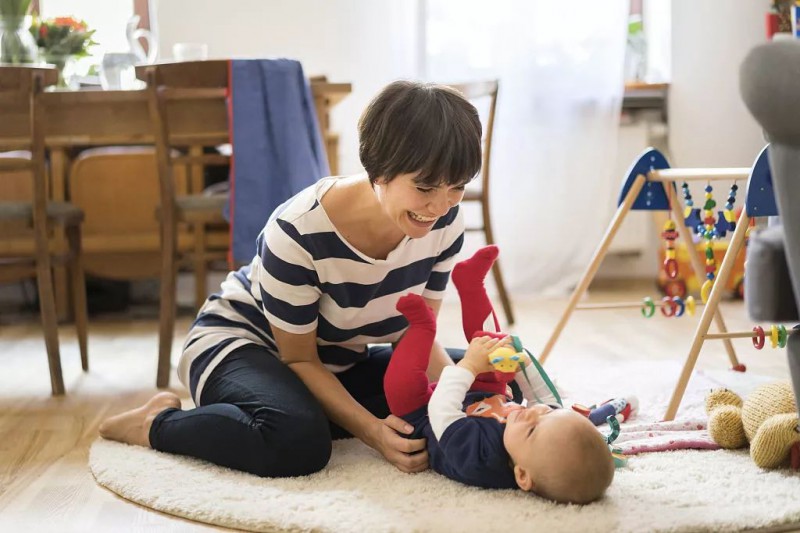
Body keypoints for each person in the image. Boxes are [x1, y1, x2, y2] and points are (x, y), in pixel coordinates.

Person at [99, 80, 483, 477]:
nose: (440, 205)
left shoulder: (446, 221)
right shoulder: (298, 231)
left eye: (457, 187)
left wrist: (478, 397)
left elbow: (414, 335)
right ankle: (155, 424)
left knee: (475, 379)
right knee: (297, 442)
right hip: (244, 344)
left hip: (338, 358)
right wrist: (372, 433)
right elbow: (299, 357)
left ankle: (297, 409)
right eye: (424, 187)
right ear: (379, 169)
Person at [385, 245, 615, 503]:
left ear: (522, 475)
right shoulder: (541, 428)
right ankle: (471, 284)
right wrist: (522, 361)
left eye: (531, 431)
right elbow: (543, 397)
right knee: (496, 347)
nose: (532, 413)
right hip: (483, 395)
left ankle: (420, 326)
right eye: (548, 414)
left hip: (425, 416)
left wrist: (469, 367)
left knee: (400, 387)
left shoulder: (479, 459)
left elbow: (442, 412)